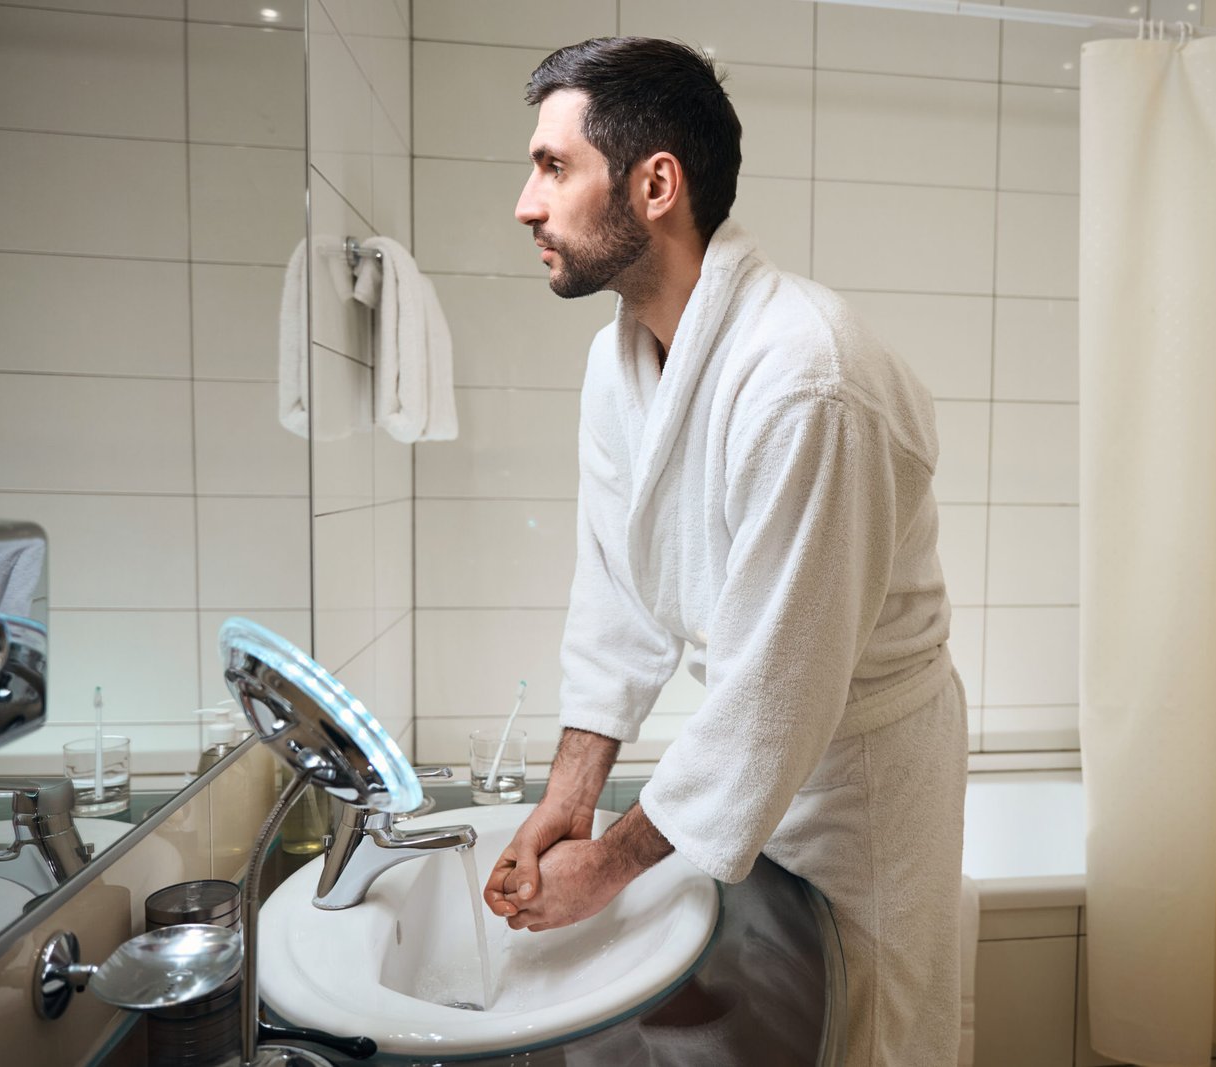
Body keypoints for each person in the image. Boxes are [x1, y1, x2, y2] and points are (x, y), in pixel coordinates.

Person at [482, 37, 968, 1065]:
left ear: (656, 184)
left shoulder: (806, 381)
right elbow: (615, 596)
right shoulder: (619, 363)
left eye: (553, 166)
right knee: (775, 1025)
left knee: (870, 1033)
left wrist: (609, 863)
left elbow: (776, 689)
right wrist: (567, 802)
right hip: (762, 752)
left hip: (858, 779)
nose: (527, 203)